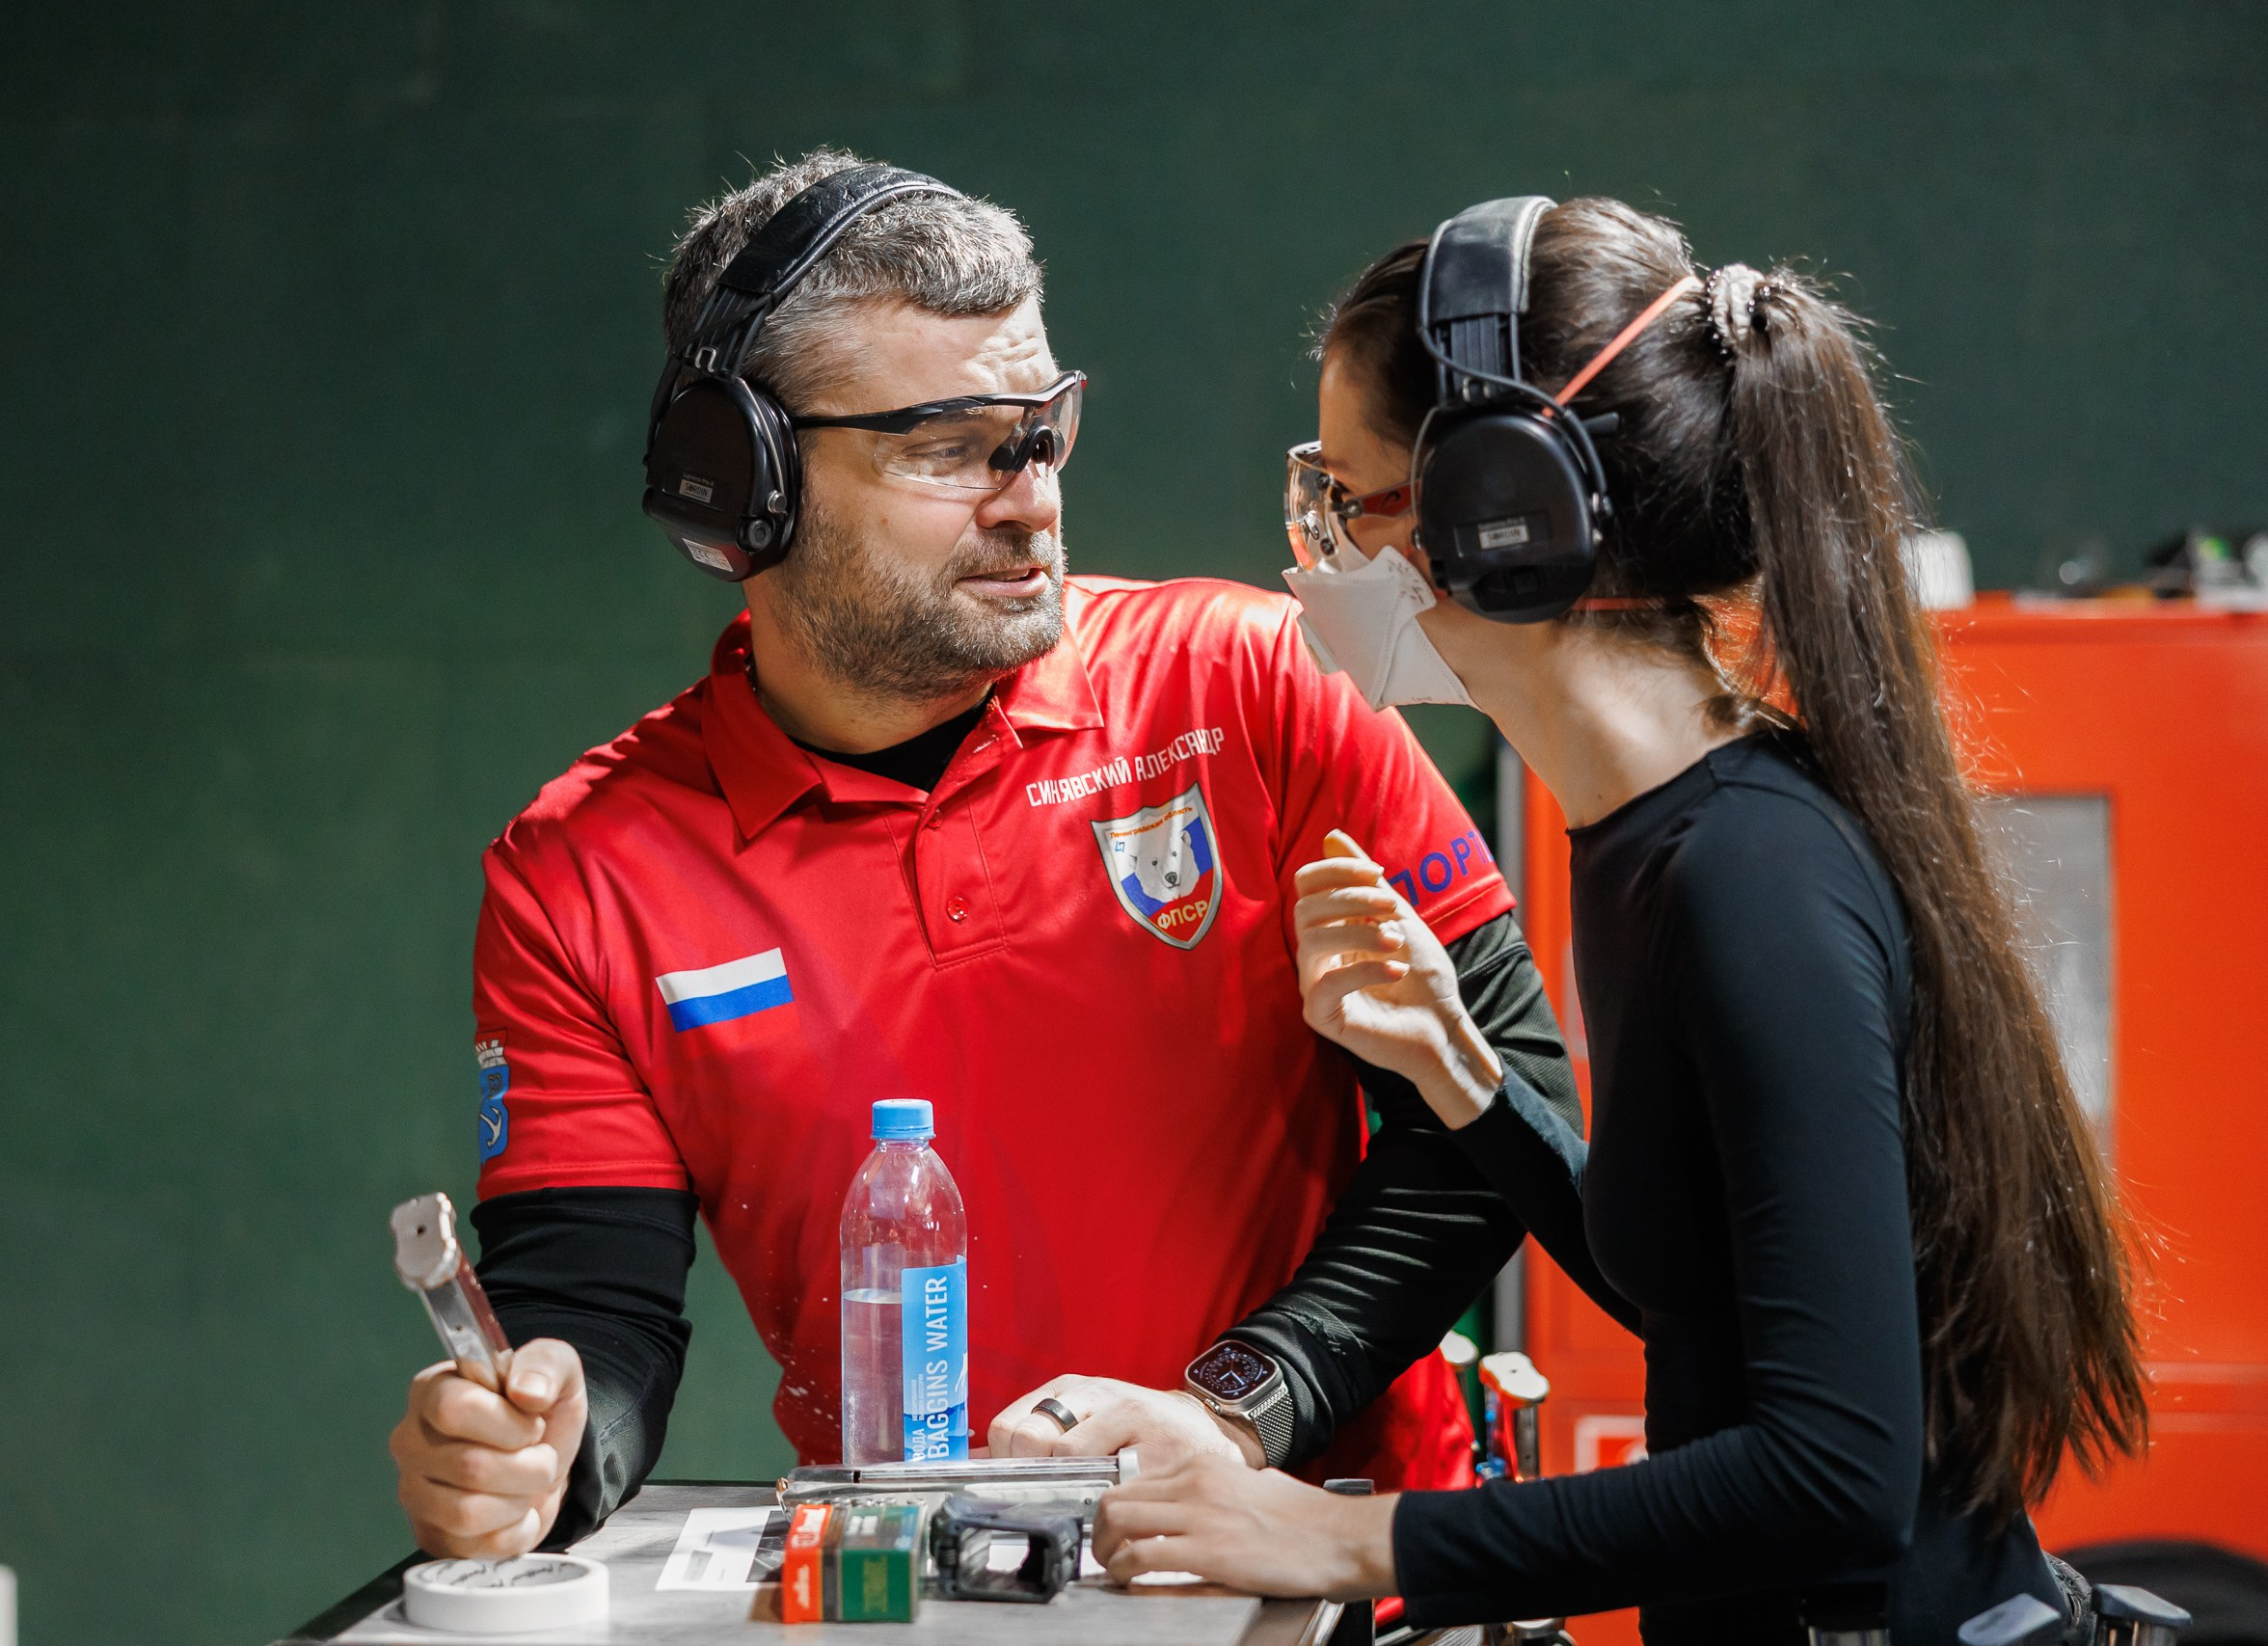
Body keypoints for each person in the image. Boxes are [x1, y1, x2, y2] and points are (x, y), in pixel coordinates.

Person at [385, 148, 1583, 1559]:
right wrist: (533, 1454)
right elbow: (596, 1320)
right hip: (918, 1585)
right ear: (741, 485)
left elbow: (1498, 1110)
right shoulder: (580, 876)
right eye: (949, 448)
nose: (1029, 500)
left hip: (1328, 1557)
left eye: (1042, 433)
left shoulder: (1256, 679)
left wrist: (1243, 1406)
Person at [1090, 197, 2147, 1645]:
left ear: (1498, 514)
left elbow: (1836, 1475)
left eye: (1350, 498)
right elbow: (1709, 1307)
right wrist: (1462, 1078)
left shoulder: (1747, 873)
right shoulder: (1647, 838)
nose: (1320, 548)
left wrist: (1341, 1536)